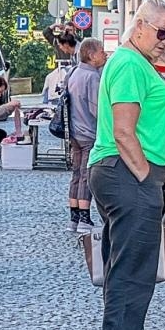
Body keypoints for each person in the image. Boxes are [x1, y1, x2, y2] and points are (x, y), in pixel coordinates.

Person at [89, 0, 165, 330]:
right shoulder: (129, 64)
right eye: (162, 31)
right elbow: (124, 131)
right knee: (133, 270)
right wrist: (146, 177)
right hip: (126, 173)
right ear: (140, 24)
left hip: (121, 173)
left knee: (126, 268)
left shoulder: (136, 62)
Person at [64, 38, 107, 234]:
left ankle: (74, 218)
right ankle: (84, 218)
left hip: (73, 131)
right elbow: (97, 108)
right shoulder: (92, 77)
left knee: (76, 174)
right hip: (88, 132)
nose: (105, 55)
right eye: (102, 51)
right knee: (85, 176)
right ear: (91, 55)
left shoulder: (73, 72)